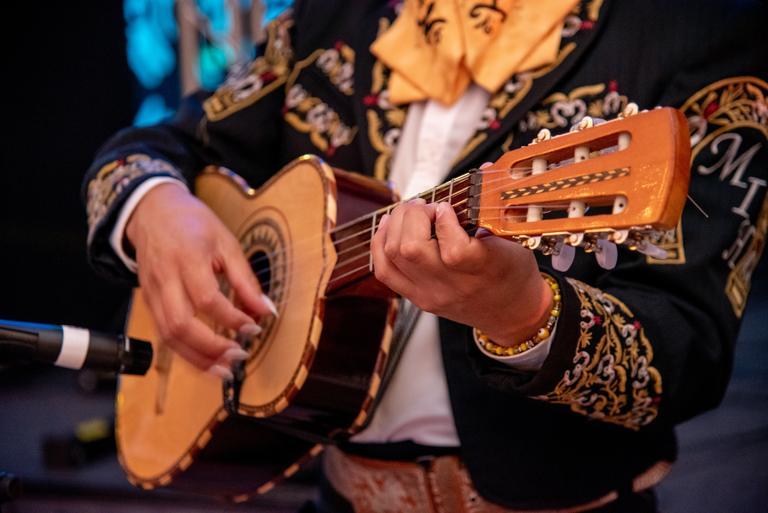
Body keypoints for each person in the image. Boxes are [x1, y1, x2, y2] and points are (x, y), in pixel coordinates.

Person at [83, 0, 768, 511]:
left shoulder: (697, 29)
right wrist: (152, 205)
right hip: (337, 494)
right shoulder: (338, 15)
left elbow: (689, 351)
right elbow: (165, 144)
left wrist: (524, 313)